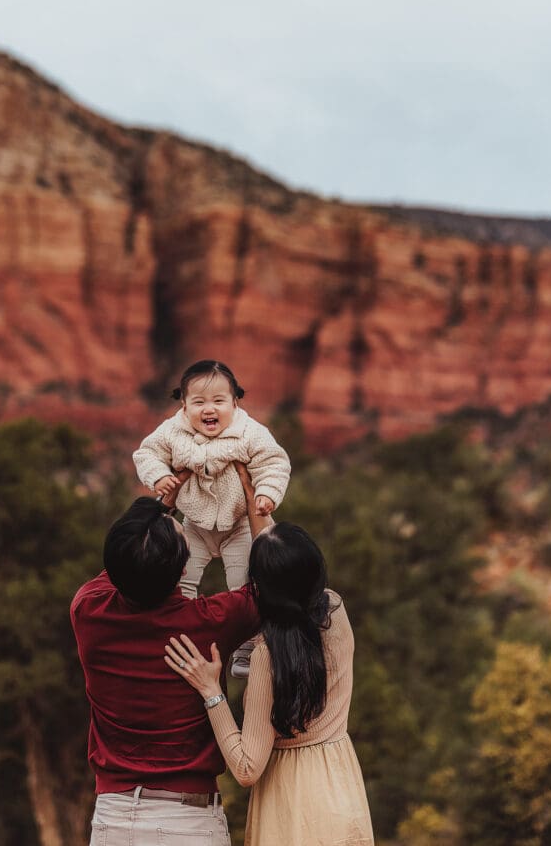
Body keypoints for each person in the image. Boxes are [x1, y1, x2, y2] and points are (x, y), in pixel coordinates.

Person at [70, 464, 273, 846]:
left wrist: (165, 498)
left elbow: (127, 559)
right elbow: (272, 581)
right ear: (184, 568)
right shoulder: (209, 622)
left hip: (112, 818)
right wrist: (251, 497)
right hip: (187, 821)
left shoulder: (88, 611)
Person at [164, 522, 375, 846]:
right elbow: (285, 559)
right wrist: (253, 491)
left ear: (260, 587)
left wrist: (211, 691)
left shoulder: (268, 657)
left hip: (290, 806)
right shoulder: (335, 611)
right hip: (341, 792)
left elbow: (247, 768)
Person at [133, 360, 290, 674]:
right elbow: (146, 453)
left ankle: (247, 648)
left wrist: (267, 493)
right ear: (184, 405)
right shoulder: (172, 431)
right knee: (180, 578)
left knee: (244, 582)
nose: (210, 409)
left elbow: (274, 462)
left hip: (238, 523)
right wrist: (158, 476)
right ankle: (184, 635)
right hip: (195, 524)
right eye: (199, 402)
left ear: (235, 403)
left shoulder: (250, 432)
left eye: (219, 401)